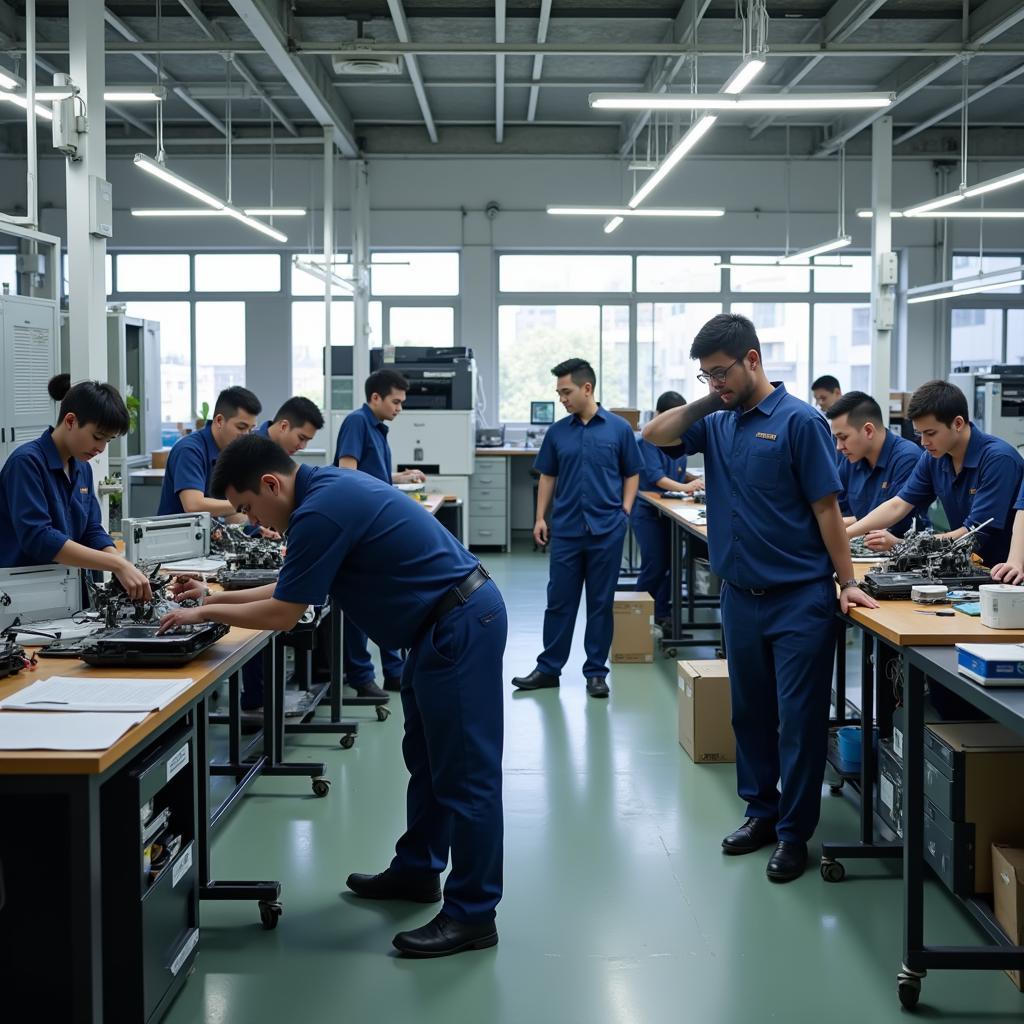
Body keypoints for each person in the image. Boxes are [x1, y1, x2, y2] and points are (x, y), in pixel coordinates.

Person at [158, 435, 507, 958]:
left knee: (466, 775)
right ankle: (417, 872)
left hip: (458, 625)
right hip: (439, 628)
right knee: (431, 765)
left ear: (271, 483)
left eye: (249, 508)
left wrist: (205, 613)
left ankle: (473, 914)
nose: (253, 522)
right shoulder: (323, 494)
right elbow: (292, 584)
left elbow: (285, 612)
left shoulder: (322, 509)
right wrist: (217, 595)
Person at [643, 313, 877, 883]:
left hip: (799, 599)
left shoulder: (800, 422)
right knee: (749, 712)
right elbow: (654, 435)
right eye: (705, 375)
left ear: (754, 359)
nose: (714, 383)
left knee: (797, 721)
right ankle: (761, 813)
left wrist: (847, 581)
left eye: (722, 372)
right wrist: (711, 398)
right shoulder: (716, 421)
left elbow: (827, 510)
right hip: (739, 597)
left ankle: (795, 833)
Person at [512, 358, 643, 699]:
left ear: (587, 388)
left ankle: (596, 673)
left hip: (607, 530)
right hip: (567, 530)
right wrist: (540, 517)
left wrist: (624, 510)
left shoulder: (618, 429)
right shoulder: (557, 432)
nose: (562, 399)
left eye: (566, 391)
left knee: (600, 603)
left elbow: (632, 472)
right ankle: (548, 668)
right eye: (559, 393)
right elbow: (548, 476)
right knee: (559, 602)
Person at [0, 376, 152, 599]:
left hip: (69, 591)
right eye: (97, 437)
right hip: (25, 594)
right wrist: (116, 564)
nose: (100, 448)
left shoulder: (82, 468)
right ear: (70, 421)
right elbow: (38, 538)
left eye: (108, 441)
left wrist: (119, 561)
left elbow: (91, 528)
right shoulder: (26, 463)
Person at [845, 379, 1023, 564]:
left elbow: (972, 535)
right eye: (919, 434)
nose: (923, 442)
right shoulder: (933, 458)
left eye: (930, 433)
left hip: (1006, 574)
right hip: (967, 565)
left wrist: (903, 544)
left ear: (958, 423)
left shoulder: (998, 460)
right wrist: (846, 534)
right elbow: (898, 505)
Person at [335, 369, 426, 699]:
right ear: (375, 398)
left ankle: (394, 672)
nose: (400, 408)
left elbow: (372, 475)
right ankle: (361, 676)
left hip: (376, 525)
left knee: (386, 600)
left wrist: (399, 478)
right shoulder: (356, 422)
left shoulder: (378, 429)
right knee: (360, 604)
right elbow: (348, 474)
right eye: (396, 401)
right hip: (360, 528)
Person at [631, 391, 704, 631]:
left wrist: (696, 479)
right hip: (648, 513)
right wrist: (686, 486)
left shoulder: (678, 439)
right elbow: (656, 477)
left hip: (670, 513)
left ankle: (662, 612)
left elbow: (677, 472)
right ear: (661, 415)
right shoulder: (649, 441)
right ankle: (636, 620)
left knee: (672, 565)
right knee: (655, 563)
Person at [826, 391, 930, 538]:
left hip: (902, 551)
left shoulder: (907, 457)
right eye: (836, 439)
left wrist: (844, 530)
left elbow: (896, 520)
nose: (838, 446)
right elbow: (839, 512)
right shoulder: (851, 460)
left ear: (868, 430)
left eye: (843, 437)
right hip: (862, 546)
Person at [157, 385, 261, 518]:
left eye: (251, 430)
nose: (246, 435)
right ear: (219, 421)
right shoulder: (189, 450)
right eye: (241, 427)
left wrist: (254, 529)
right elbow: (193, 506)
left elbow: (231, 513)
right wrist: (247, 504)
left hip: (210, 535)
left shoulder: (231, 454)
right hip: (176, 536)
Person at [254, 396, 325, 455]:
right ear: (283, 426)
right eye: (301, 438)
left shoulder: (280, 454)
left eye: (307, 441)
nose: (302, 447)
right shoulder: (249, 450)